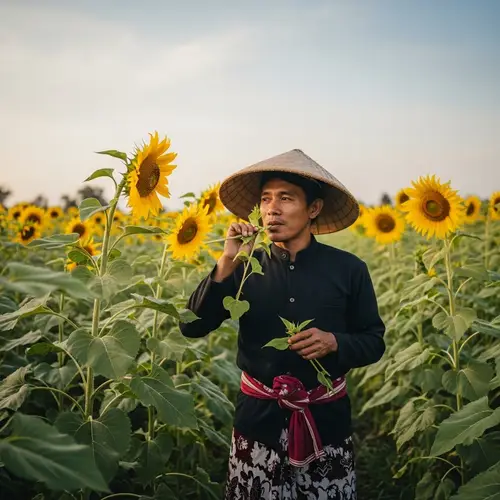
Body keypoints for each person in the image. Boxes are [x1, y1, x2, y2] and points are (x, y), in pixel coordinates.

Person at [179, 149, 386, 500]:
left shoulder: (349, 270)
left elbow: (373, 341)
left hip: (327, 425)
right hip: (257, 425)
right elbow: (193, 325)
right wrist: (228, 259)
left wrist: (335, 342)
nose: (271, 208)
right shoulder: (244, 267)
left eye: (286, 198)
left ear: (314, 209)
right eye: (265, 199)